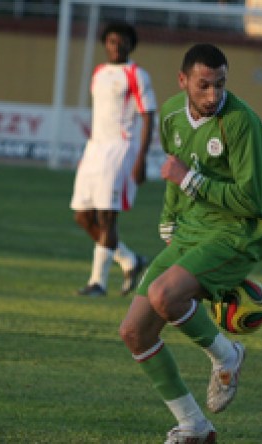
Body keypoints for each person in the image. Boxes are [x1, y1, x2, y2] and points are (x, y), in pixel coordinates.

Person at [118, 43, 262, 444]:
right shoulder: (170, 114)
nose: (213, 96)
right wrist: (169, 218)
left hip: (237, 234)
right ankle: (193, 426)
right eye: (203, 86)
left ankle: (227, 355)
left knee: (164, 295)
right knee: (134, 332)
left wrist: (191, 181)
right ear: (183, 81)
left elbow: (251, 200)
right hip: (190, 231)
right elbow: (175, 166)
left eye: (220, 85)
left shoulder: (242, 124)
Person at [69, 22, 155, 297]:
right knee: (82, 216)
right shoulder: (98, 73)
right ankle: (130, 260)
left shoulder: (137, 74)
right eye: (112, 41)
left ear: (131, 44)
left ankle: (98, 283)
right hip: (94, 148)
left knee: (107, 215)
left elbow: (148, 116)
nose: (117, 46)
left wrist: (141, 157)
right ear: (105, 44)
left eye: (122, 42)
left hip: (121, 149)